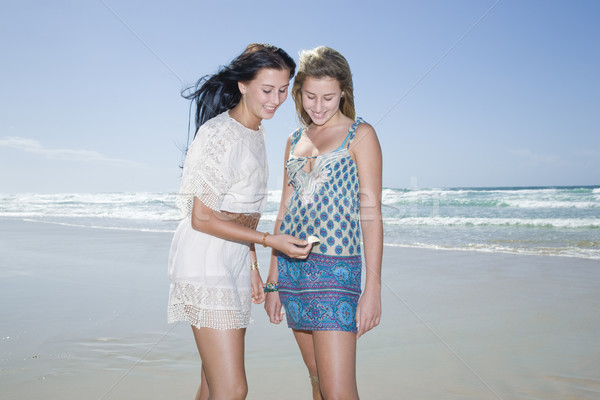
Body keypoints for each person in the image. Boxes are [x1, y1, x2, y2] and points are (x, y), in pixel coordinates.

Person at [168, 43, 311, 400]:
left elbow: (242, 208)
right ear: (243, 86)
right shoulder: (220, 134)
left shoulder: (257, 131)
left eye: (283, 89)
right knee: (232, 390)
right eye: (267, 90)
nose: (276, 99)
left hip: (231, 259)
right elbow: (202, 217)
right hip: (206, 260)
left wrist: (250, 264)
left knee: (212, 385)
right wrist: (269, 242)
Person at [264, 46, 383, 399]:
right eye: (310, 96)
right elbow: (284, 211)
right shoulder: (293, 140)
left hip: (337, 272)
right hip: (293, 273)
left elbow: (371, 216)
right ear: (299, 93)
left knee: (338, 391)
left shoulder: (361, 135)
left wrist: (372, 290)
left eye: (328, 97)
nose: (318, 106)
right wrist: (273, 282)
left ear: (343, 91)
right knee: (316, 378)